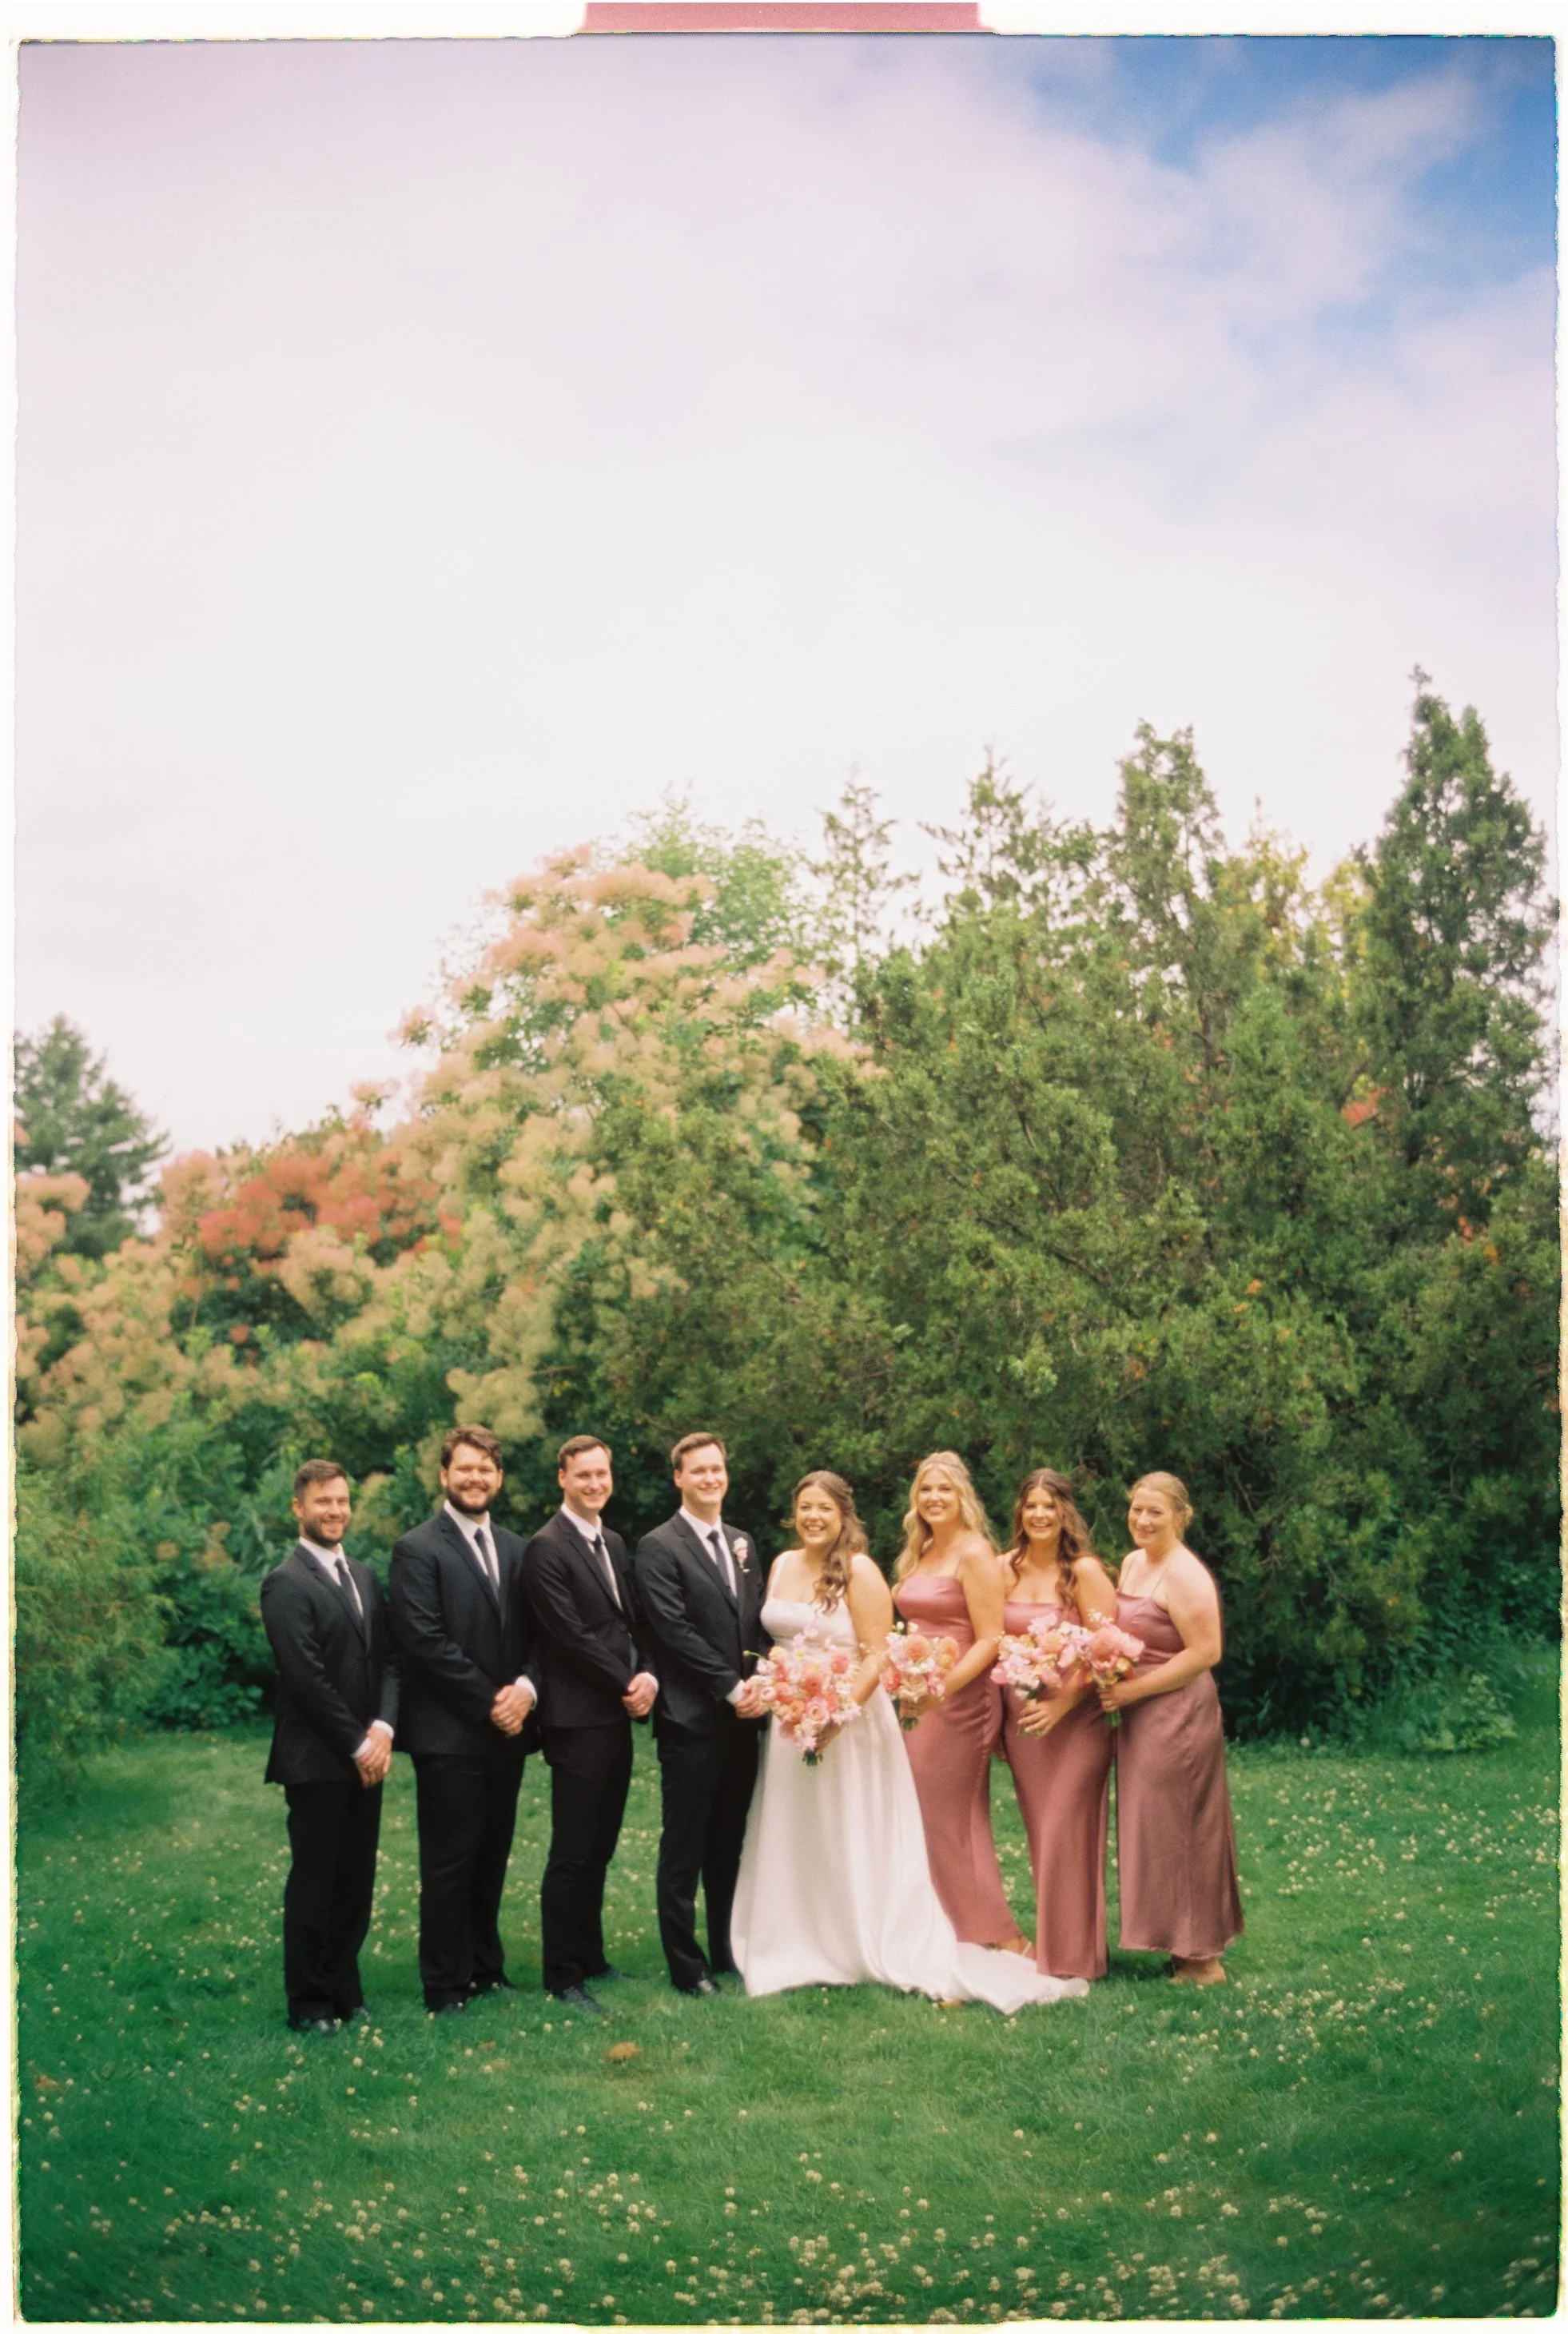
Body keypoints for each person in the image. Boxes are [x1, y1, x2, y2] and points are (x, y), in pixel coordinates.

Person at [730, 1470, 1087, 2011]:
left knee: (909, 1823)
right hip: (796, 1718)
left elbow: (885, 1649)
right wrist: (781, 1685)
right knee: (804, 1826)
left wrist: (842, 1709)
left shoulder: (874, 1568)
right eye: (805, 1506)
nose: (813, 1517)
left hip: (872, 1710)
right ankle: (802, 1935)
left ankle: (969, 1933)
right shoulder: (792, 1564)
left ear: (844, 1514)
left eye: (824, 1507)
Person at [388, 1425, 539, 2016]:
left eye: (485, 1469)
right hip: (449, 1734)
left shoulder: (520, 1549)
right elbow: (423, 1640)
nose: (475, 1478)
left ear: (498, 1478)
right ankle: (445, 1983)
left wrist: (525, 1690)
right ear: (445, 1475)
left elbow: (539, 1635)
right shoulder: (418, 1549)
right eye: (464, 1468)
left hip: (507, 1733)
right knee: (450, 1860)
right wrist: (490, 1702)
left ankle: (485, 1966)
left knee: (492, 1855)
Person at [522, 1435, 659, 2017]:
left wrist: (649, 1672)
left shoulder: (613, 1540)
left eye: (602, 1474)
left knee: (601, 1845)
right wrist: (627, 1682)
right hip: (576, 1718)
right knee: (574, 1849)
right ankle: (563, 1974)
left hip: (614, 1715)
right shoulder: (545, 1548)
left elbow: (631, 1622)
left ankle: (592, 1955)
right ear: (563, 1478)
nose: (595, 1484)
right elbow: (569, 1634)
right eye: (584, 1476)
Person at [261, 1460, 400, 2033]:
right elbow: (306, 1677)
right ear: (299, 1508)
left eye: (342, 1501)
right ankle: (310, 2003)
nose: (335, 1511)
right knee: (317, 1883)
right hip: (317, 1761)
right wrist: (355, 1743)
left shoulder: (365, 1576)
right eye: (323, 1502)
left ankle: (346, 1987)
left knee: (355, 1881)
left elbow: (391, 1660)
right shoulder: (285, 1583)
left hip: (369, 1752)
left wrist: (385, 1730)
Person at [633, 1432, 768, 1997]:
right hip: (692, 1720)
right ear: (679, 1479)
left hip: (744, 1721)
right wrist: (732, 1690)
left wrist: (763, 1677)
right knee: (685, 1845)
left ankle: (727, 1950)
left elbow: (756, 1622)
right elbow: (675, 1633)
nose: (711, 1478)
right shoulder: (658, 1547)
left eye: (717, 1468)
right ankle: (687, 1967)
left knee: (727, 1843)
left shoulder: (741, 1542)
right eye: (699, 1470)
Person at [1100, 1472, 1244, 1985]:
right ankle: (1183, 1947)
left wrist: (1133, 1690)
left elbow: (1207, 1652)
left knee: (1186, 1829)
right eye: (1136, 1509)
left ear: (1181, 1517)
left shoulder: (1186, 1574)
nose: (1142, 1519)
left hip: (1177, 1714)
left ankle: (1204, 1960)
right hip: (1141, 1714)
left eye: (1155, 1512)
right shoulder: (1135, 1562)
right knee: (1159, 1831)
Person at [891, 1451, 1030, 1953]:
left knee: (949, 1818)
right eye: (926, 1489)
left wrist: (938, 1689)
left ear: (962, 1497)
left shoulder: (974, 1553)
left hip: (961, 1699)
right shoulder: (919, 1551)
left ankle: (996, 1933)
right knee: (927, 1816)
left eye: (944, 1489)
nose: (934, 1498)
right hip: (918, 1699)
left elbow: (991, 1639)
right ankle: (945, 1924)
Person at [997, 1468, 1118, 1982]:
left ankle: (1075, 1959)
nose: (1040, 1515)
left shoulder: (1084, 1572)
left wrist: (1061, 1705)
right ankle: (1058, 1949)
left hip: (1077, 1720)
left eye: (1050, 1505)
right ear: (1020, 1513)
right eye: (1031, 1506)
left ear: (1066, 1512)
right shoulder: (1004, 1568)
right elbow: (988, 1639)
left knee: (1067, 1829)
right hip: (1023, 1720)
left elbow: (1108, 1652)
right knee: (1040, 1834)